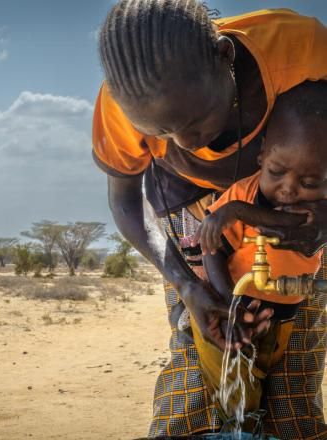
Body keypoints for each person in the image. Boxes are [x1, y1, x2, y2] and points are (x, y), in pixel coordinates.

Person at [92, 1, 327, 437]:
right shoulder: (121, 105)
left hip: (290, 201)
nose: (184, 141)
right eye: (160, 132)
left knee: (295, 346)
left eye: (196, 120)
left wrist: (322, 218)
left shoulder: (305, 48)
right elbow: (124, 201)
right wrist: (186, 284)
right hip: (189, 209)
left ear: (225, 56)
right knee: (204, 349)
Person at [186, 81, 327, 426]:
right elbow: (212, 249)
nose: (289, 188)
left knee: (274, 395)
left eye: (309, 183)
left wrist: (235, 212)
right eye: (276, 172)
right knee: (235, 399)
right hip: (231, 311)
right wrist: (226, 303)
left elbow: (284, 220)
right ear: (262, 154)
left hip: (282, 321)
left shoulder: (317, 211)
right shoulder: (244, 193)